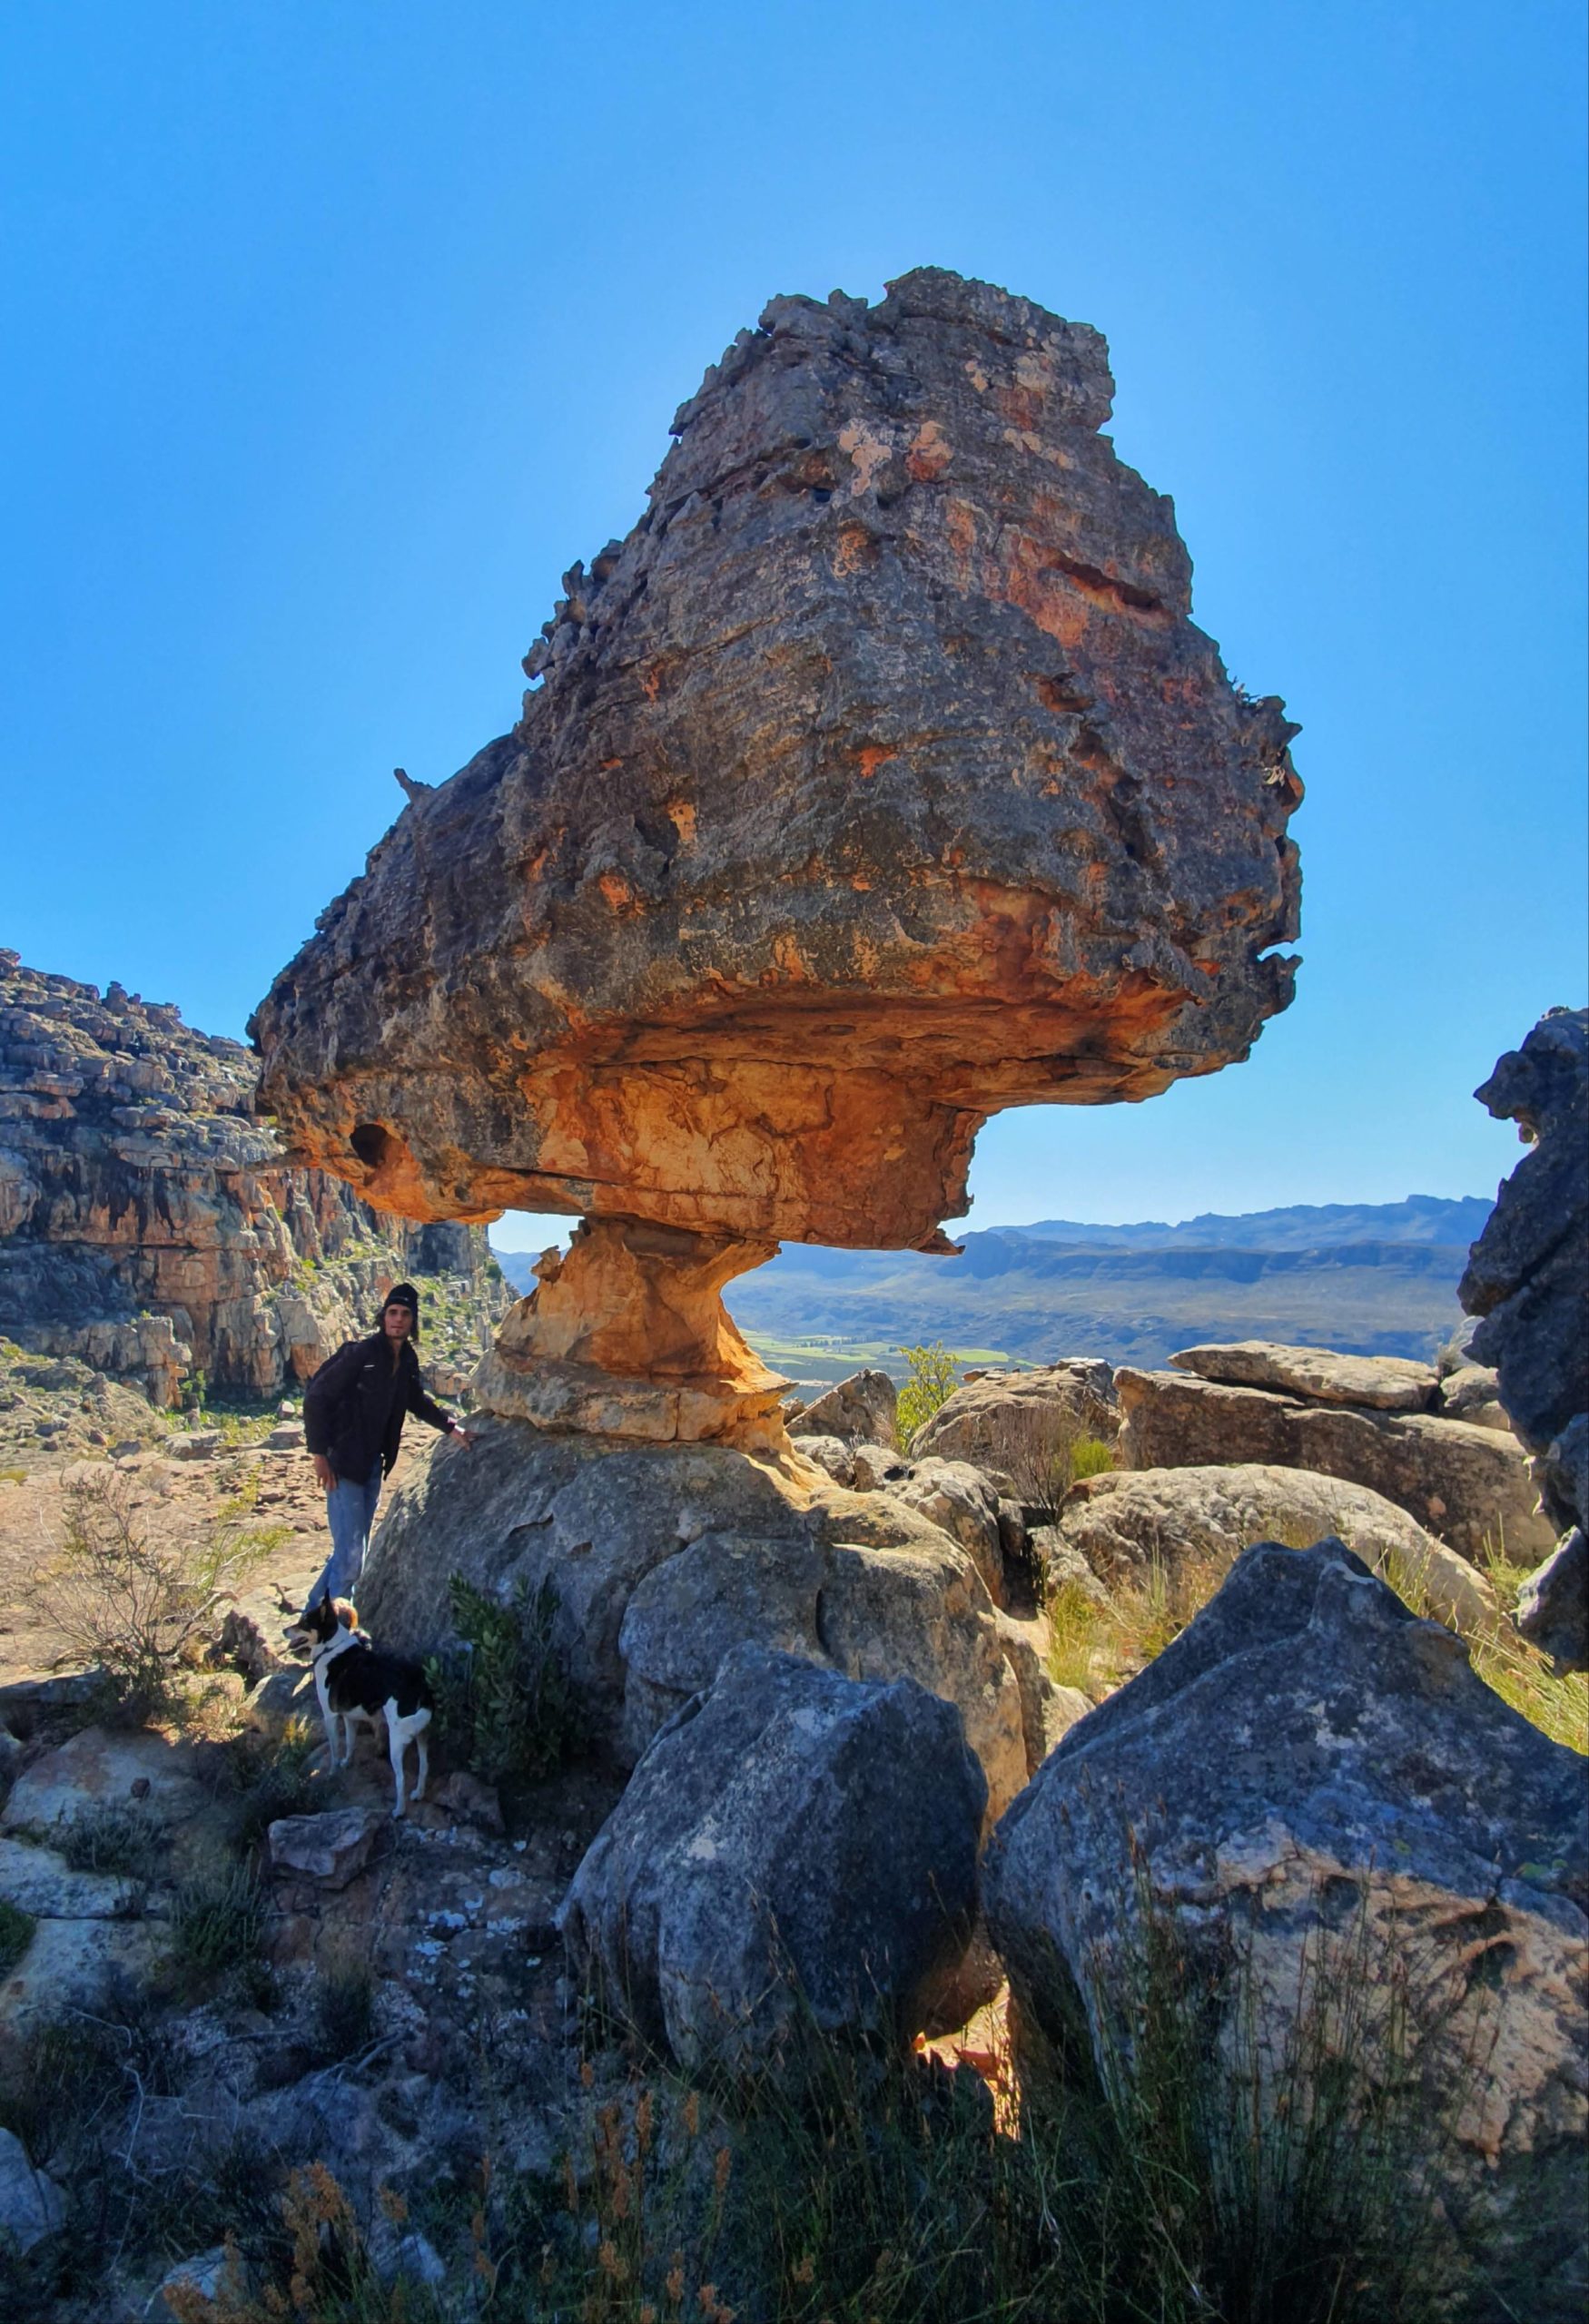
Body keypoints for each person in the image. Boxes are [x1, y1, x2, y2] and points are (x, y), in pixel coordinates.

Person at [300, 1283, 478, 1610]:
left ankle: (313, 1618)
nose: (397, 1320)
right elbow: (316, 1398)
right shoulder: (362, 1355)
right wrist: (319, 1454)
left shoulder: (406, 1359)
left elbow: (415, 1400)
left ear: (413, 1321)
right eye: (392, 1313)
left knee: (352, 1551)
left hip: (372, 1467)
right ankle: (332, 1633)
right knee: (352, 1557)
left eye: (405, 1314)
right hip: (344, 1465)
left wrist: (451, 1428)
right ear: (383, 1318)